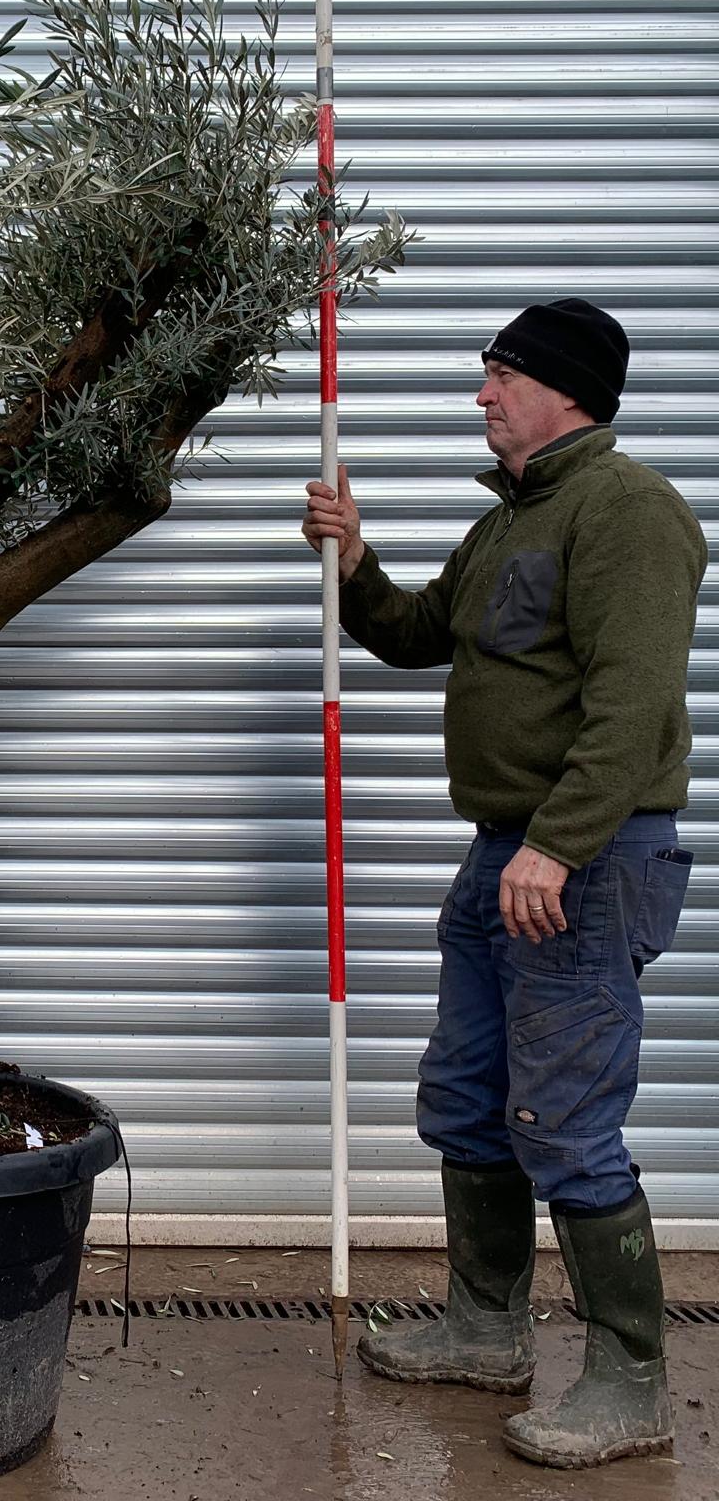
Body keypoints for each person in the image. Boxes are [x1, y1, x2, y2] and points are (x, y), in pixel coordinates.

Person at [302, 298, 705, 1469]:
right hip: (505, 855)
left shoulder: (627, 512)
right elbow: (419, 632)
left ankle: (628, 1385)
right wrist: (356, 558)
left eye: (499, 377)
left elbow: (633, 709)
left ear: (562, 391)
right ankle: (485, 1329)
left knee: (566, 1118)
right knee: (471, 1094)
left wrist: (559, 844)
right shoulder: (511, 523)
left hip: (579, 858)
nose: (481, 396)